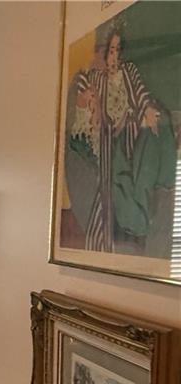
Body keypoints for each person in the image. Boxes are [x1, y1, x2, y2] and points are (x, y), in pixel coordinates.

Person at [68, 21, 177, 257]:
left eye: (118, 50)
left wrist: (147, 109)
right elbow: (83, 89)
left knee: (147, 152)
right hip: (109, 142)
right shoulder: (96, 77)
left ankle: (137, 229)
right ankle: (119, 234)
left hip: (131, 138)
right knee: (113, 178)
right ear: (104, 52)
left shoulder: (129, 71)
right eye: (111, 51)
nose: (114, 57)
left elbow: (141, 93)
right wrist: (89, 101)